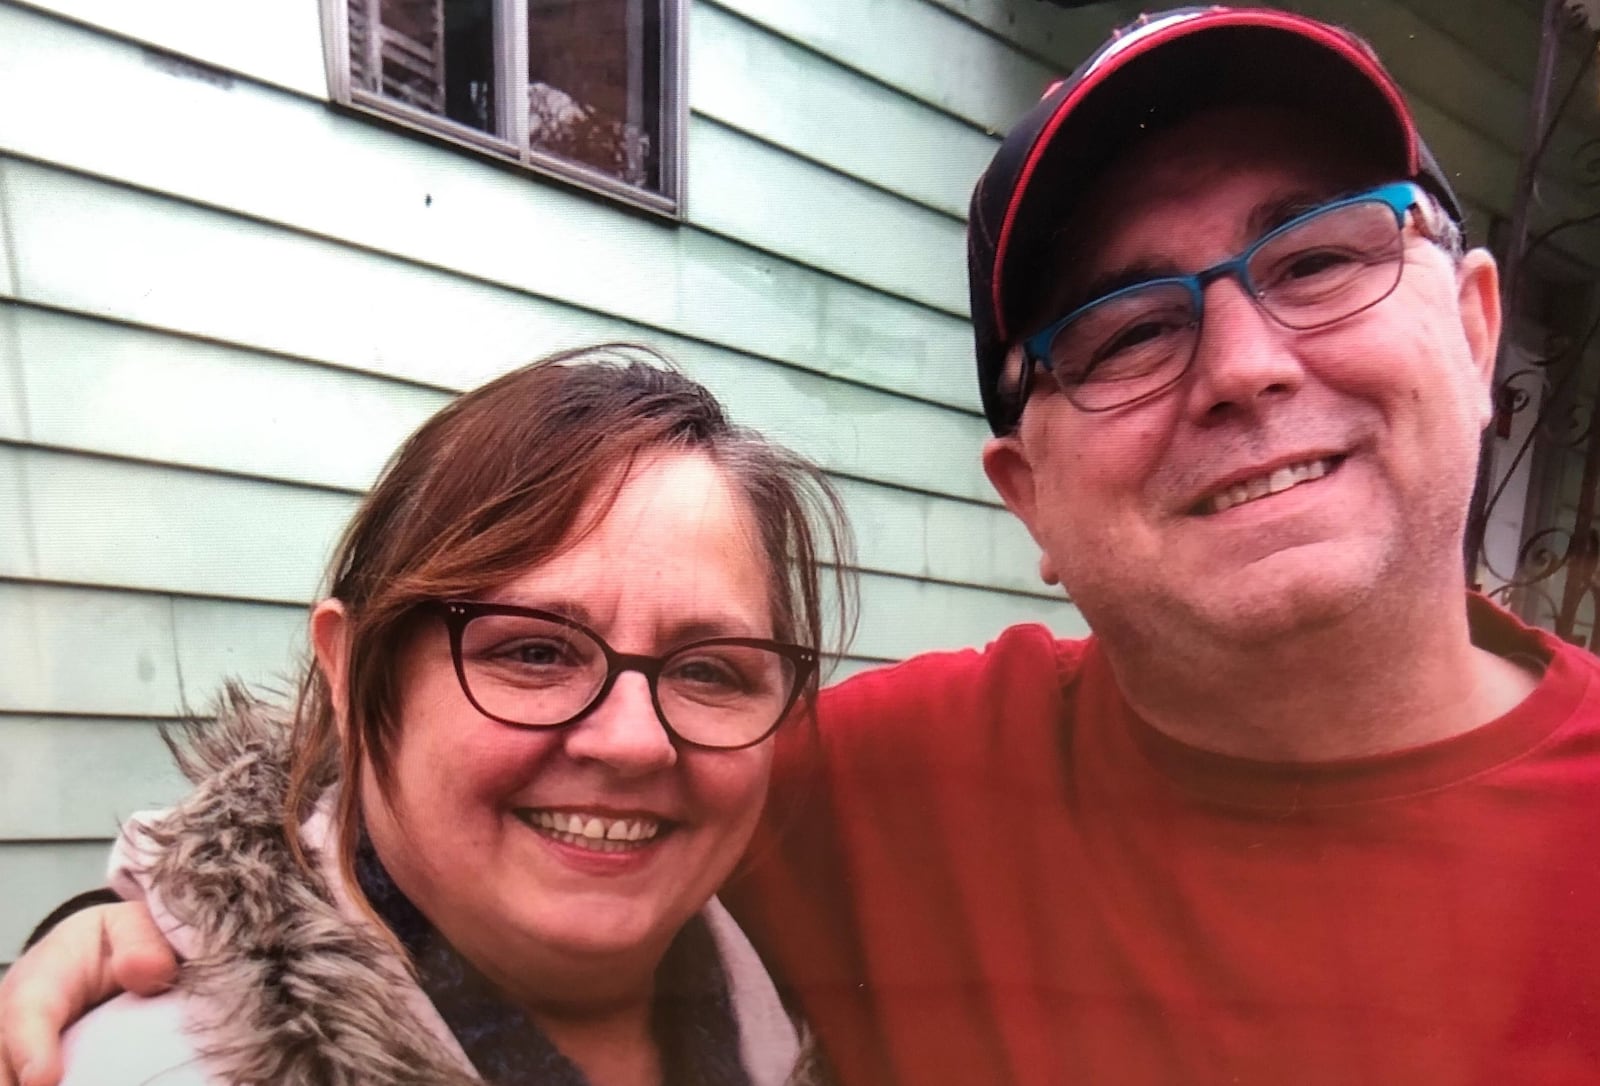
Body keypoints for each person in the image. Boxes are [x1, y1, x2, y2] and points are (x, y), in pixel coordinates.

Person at [7, 6, 1600, 1084]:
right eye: (1119, 331)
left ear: (1475, 326)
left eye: (1319, 256)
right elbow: (393, 842)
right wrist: (169, 940)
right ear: (1024, 495)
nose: (1247, 362)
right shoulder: (865, 780)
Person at [10, 346, 851, 1086]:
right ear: (347, 668)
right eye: (535, 652)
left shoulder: (823, 998)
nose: (633, 740)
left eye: (710, 671)